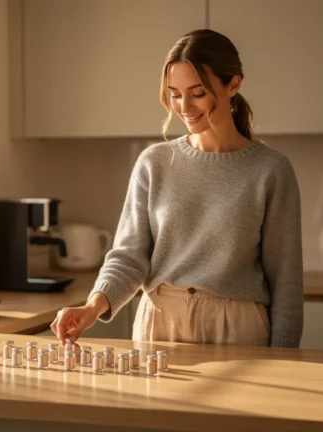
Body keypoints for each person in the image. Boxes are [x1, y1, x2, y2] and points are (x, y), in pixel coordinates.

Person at [51, 29, 303, 348]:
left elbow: (286, 280)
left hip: (238, 329)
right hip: (158, 323)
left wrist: (284, 353)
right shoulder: (153, 163)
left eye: (197, 93)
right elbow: (129, 256)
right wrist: (92, 307)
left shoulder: (271, 170)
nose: (184, 106)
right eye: (175, 93)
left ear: (233, 85)